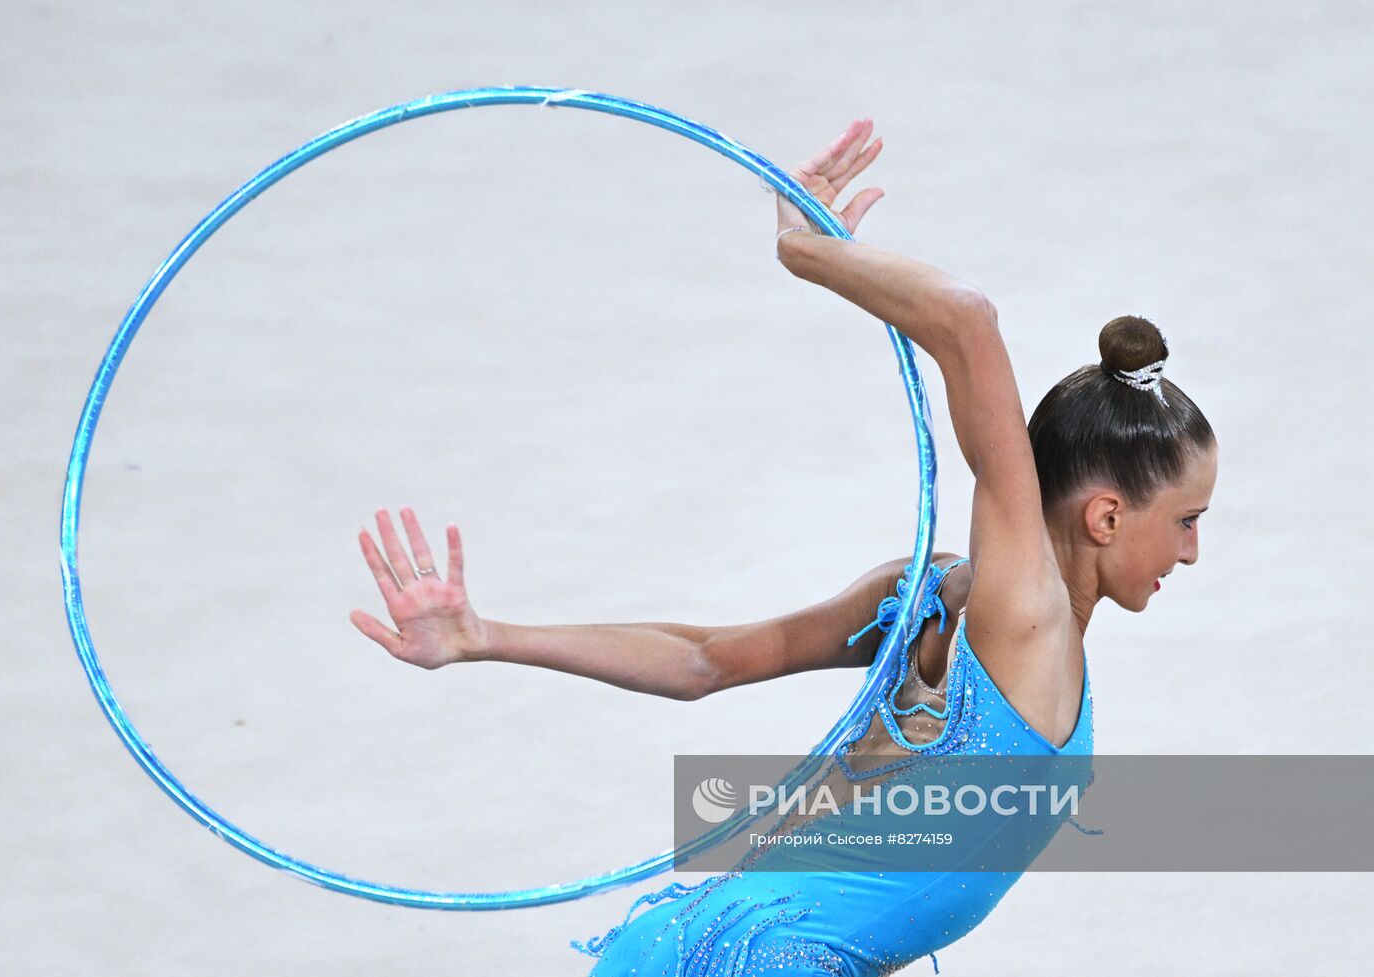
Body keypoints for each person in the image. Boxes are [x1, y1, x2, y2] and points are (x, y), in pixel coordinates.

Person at [348, 118, 1218, 975]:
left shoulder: (926, 596)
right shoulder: (1028, 619)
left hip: (704, 944)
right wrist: (804, 251)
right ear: (1105, 516)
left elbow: (703, 659)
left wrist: (485, 635)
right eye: (1186, 520)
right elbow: (967, 322)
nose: (1189, 553)